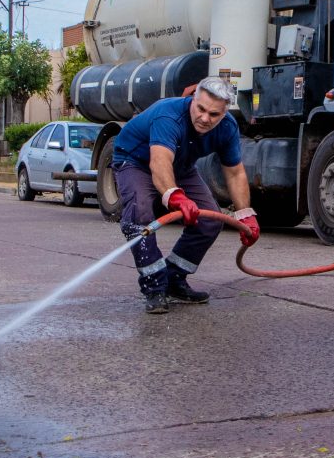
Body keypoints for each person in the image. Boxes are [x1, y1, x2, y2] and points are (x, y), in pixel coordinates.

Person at [112, 76, 261, 314]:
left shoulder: (227, 128)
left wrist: (245, 215)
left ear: (224, 113)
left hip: (181, 167)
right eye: (200, 109)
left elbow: (234, 173)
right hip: (135, 161)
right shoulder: (169, 115)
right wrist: (176, 197)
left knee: (210, 221)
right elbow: (160, 161)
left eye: (214, 114)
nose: (204, 118)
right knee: (139, 214)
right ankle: (154, 287)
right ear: (193, 99)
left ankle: (174, 279)